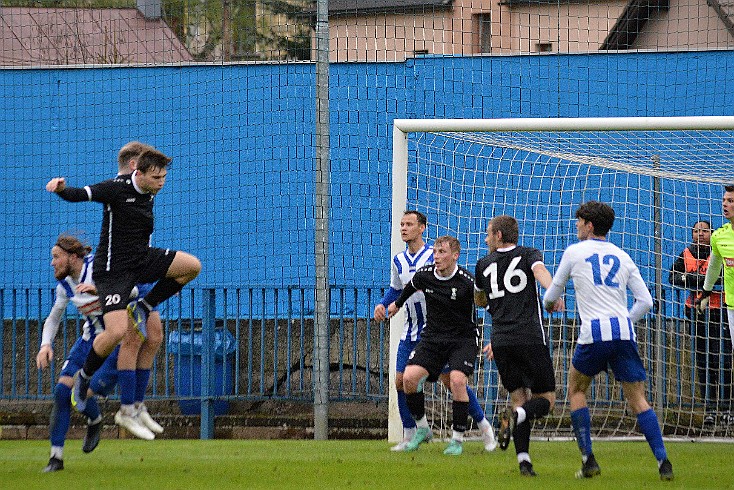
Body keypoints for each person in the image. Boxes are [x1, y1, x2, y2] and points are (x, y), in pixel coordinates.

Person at [45, 146, 202, 416]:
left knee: (191, 267)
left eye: (164, 177)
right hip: (113, 270)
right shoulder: (116, 188)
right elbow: (79, 194)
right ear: (136, 172)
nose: (161, 183)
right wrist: (60, 189)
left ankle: (143, 306)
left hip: (141, 260)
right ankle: (85, 377)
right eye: (156, 178)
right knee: (116, 331)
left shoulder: (150, 193)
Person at [542, 201, 673, 481]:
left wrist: (550, 303)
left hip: (594, 333)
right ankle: (663, 461)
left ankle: (588, 459)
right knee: (638, 398)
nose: (576, 225)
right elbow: (646, 302)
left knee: (576, 389)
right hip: (624, 332)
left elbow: (552, 294)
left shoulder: (575, 252)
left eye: (579, 221)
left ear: (589, 226)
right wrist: (624, 319)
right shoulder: (622, 256)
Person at [374, 211, 496, 452]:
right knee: (402, 380)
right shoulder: (399, 261)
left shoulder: (436, 257)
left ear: (422, 228)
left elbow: (482, 301)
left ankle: (481, 426)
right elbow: (399, 289)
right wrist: (386, 304)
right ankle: (412, 433)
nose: (403, 228)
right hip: (415, 332)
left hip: (446, 332)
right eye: (401, 224)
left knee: (454, 382)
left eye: (409, 224)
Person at [36, 235, 153, 472]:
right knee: (61, 392)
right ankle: (56, 458)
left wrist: (100, 290)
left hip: (116, 342)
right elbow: (54, 318)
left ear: (73, 257)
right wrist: (45, 345)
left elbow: (132, 291)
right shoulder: (65, 287)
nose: (52, 263)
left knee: (80, 395)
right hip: (89, 340)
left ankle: (99, 416)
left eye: (56, 257)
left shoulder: (99, 268)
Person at [474, 215, 563, 477]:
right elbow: (540, 272)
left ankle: (524, 462)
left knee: (519, 400)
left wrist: (493, 303)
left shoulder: (483, 264)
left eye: (489, 233)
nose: (486, 238)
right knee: (546, 400)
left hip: (500, 341)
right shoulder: (528, 254)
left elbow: (479, 299)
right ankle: (517, 417)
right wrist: (552, 292)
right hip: (530, 338)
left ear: (499, 236)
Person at [387, 235, 479, 456]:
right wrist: (396, 305)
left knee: (456, 381)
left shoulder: (467, 281)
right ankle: (422, 429)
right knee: (407, 378)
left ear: (455, 256)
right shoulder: (425, 275)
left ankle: (457, 440)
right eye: (435, 252)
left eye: (442, 252)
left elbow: (484, 304)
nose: (436, 257)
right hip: (434, 339)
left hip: (461, 339)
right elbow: (410, 286)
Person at [111, 142, 165, 439]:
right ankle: (126, 408)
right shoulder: (118, 191)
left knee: (155, 335)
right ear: (135, 166)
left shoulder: (144, 191)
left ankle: (139, 405)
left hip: (143, 269)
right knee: (131, 338)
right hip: (125, 273)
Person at [669, 220, 732, 425]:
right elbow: (673, 277)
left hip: (720, 311)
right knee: (704, 361)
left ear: (711, 233)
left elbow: (722, 278)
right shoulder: (686, 253)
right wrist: (699, 281)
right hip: (696, 312)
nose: (700, 234)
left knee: (724, 359)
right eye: (696, 231)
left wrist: (695, 279)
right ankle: (710, 408)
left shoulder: (719, 250)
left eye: (704, 230)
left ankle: (727, 406)